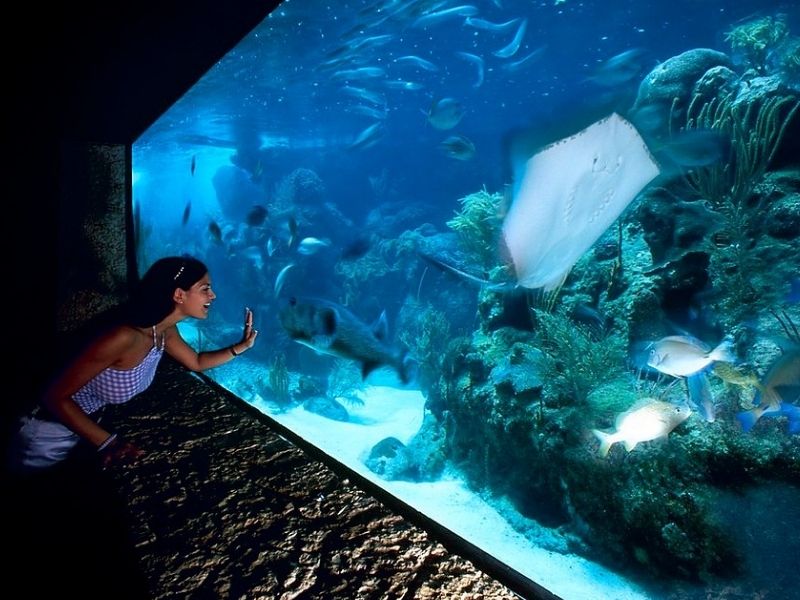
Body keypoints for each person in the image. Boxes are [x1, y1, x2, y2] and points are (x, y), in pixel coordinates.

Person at [8, 255, 258, 472]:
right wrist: (110, 443)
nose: (213, 295)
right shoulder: (124, 337)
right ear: (179, 294)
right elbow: (54, 396)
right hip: (43, 431)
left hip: (81, 426)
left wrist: (241, 346)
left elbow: (196, 362)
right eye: (205, 288)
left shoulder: (163, 330)